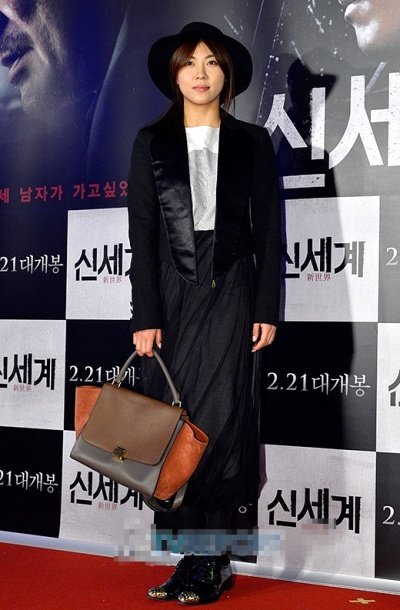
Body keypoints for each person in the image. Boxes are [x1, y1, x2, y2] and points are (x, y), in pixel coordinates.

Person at [127, 22, 281, 605]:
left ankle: (213, 560)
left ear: (226, 75)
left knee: (224, 421)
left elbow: (269, 233)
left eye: (212, 62)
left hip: (233, 291)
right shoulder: (151, 142)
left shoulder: (252, 142)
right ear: (174, 75)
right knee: (173, 424)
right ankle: (189, 558)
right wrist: (146, 314)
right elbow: (142, 235)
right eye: (189, 62)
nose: (200, 72)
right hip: (171, 295)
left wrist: (265, 306)